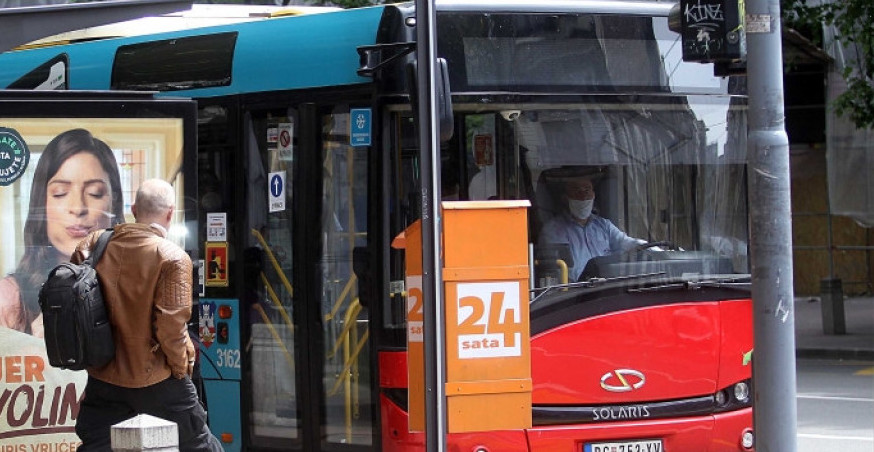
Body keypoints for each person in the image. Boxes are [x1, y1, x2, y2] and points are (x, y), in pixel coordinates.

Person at [72, 178, 221, 452]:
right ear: (170, 213)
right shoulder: (172, 256)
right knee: (200, 444)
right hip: (156, 376)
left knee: (96, 445)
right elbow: (170, 329)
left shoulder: (94, 244)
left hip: (103, 376)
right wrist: (179, 371)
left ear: (133, 209)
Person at [0, 128, 124, 337]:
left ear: (114, 203)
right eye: (60, 193)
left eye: (95, 193)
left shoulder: (138, 287)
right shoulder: (9, 298)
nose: (77, 207)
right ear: (41, 202)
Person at [538, 172, 646, 282]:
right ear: (565, 198)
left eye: (587, 190)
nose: (583, 196)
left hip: (611, 288)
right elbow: (560, 274)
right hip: (577, 294)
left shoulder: (604, 225)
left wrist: (652, 248)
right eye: (576, 190)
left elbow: (627, 244)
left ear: (593, 195)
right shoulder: (552, 231)